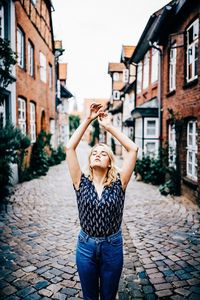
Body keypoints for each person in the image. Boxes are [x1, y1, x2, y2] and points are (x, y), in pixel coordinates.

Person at [66, 103, 139, 300]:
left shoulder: (119, 182)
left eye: (103, 153)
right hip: (85, 245)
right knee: (90, 297)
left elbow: (133, 149)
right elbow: (69, 147)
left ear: (109, 162)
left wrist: (108, 127)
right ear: (90, 160)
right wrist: (88, 119)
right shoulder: (80, 181)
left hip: (112, 246)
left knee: (108, 296)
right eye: (94, 153)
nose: (98, 154)